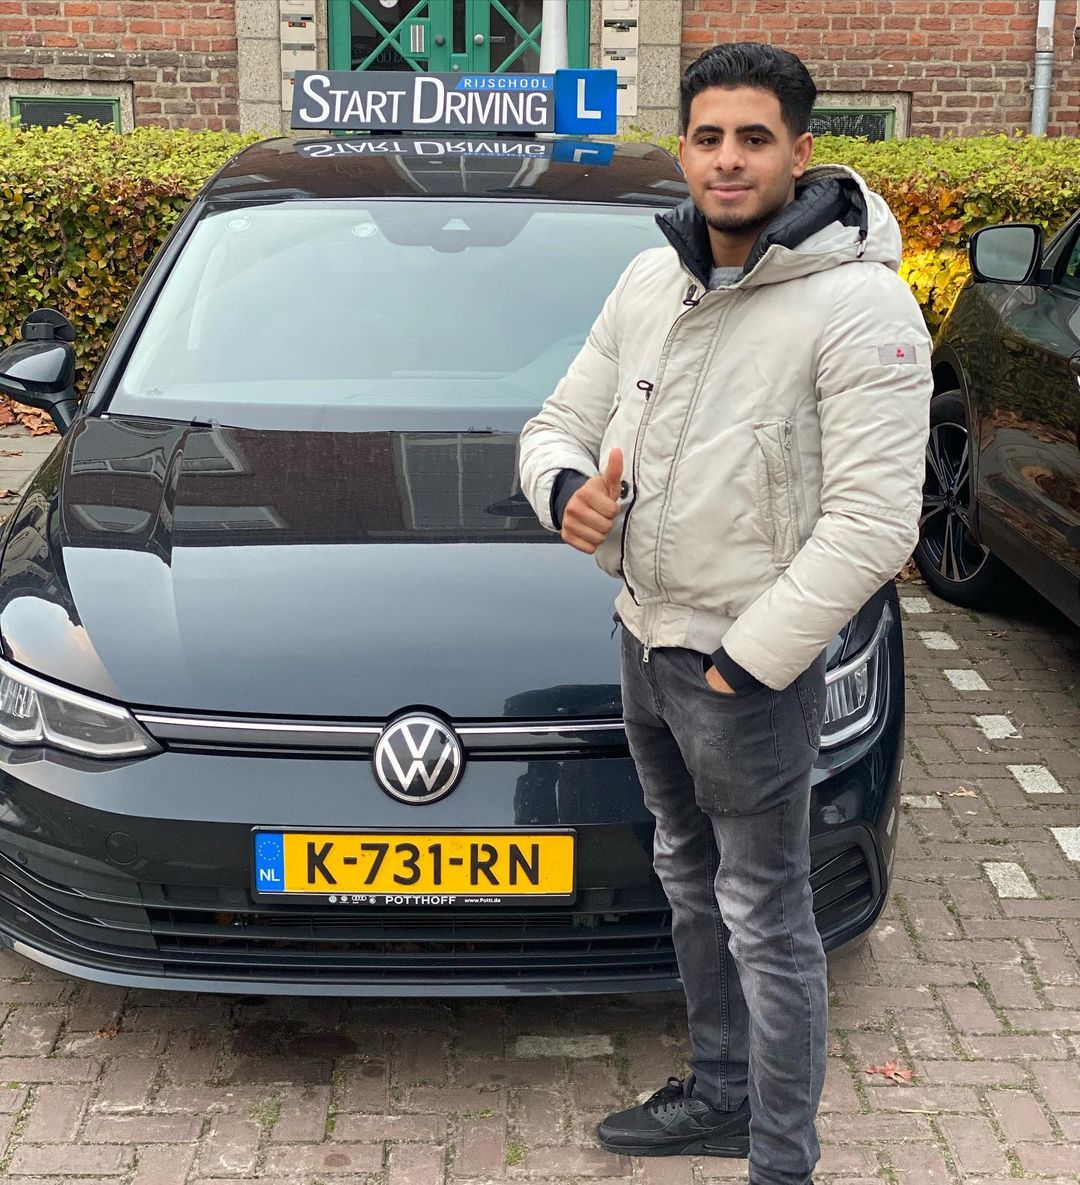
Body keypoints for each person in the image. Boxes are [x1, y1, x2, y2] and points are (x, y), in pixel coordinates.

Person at [517, 41, 932, 1185]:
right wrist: (566, 490)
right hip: (643, 637)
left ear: (801, 152)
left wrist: (747, 665)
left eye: (755, 138)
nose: (729, 160)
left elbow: (874, 526)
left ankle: (780, 1159)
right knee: (689, 881)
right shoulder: (651, 281)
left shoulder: (861, 307)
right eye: (708, 138)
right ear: (684, 150)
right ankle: (718, 1094)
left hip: (744, 671)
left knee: (767, 912)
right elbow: (555, 421)